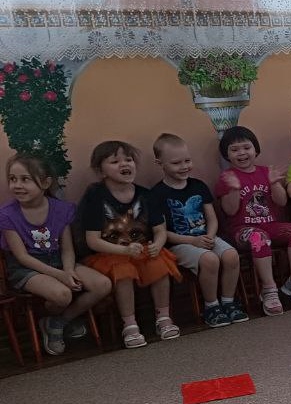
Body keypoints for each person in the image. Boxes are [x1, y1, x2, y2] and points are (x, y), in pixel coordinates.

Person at [1, 153, 111, 355]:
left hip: (60, 261)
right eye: (12, 179)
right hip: (27, 268)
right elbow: (22, 257)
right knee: (62, 294)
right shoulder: (7, 215)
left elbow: (67, 248)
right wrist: (60, 275)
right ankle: (59, 321)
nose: (17, 185)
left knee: (102, 284)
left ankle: (58, 322)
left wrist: (68, 270)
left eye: (25, 179)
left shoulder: (61, 209)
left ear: (45, 183)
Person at [77, 140, 182, 349]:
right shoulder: (95, 197)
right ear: (101, 170)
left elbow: (160, 230)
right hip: (109, 253)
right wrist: (123, 250)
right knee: (123, 271)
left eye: (129, 160)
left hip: (141, 249)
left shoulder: (146, 194)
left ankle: (163, 317)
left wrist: (158, 245)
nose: (125, 164)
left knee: (158, 264)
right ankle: (130, 324)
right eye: (115, 161)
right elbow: (93, 240)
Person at [150, 133, 248, 328]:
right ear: (159, 163)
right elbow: (161, 233)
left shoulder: (198, 186)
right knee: (209, 259)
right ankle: (211, 306)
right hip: (179, 243)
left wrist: (210, 235)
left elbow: (211, 217)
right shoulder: (156, 194)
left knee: (230, 255)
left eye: (187, 160)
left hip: (206, 236)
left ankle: (228, 302)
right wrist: (191, 241)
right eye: (177, 163)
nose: (184, 166)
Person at [214, 125, 291, 316]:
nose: (242, 153)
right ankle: (269, 290)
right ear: (227, 155)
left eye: (246, 147)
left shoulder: (266, 171)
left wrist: (274, 183)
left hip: (271, 225)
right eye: (234, 150)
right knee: (259, 238)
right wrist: (234, 189)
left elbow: (282, 201)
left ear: (255, 149)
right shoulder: (226, 178)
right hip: (242, 230)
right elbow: (229, 210)